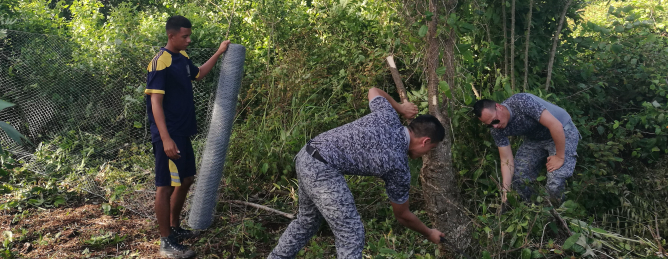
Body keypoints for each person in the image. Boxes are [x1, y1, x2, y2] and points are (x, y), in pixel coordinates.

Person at [268, 87, 446, 259]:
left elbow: (373, 91)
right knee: (351, 233)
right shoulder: (399, 166)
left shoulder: (388, 115)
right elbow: (403, 215)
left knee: (307, 221)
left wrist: (400, 108)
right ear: (425, 141)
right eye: (431, 148)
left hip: (306, 154)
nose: (427, 153)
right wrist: (429, 233)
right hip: (322, 169)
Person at [145, 16, 230, 258]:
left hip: (182, 133)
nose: (189, 40)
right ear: (171, 36)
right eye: (185, 36)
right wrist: (166, 138)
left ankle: (174, 228)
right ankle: (165, 242)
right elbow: (155, 103)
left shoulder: (182, 59)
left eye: (189, 35)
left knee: (186, 180)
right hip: (168, 135)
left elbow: (199, 74)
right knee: (165, 186)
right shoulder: (159, 63)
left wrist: (219, 52)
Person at [472, 93, 580, 206]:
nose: (494, 126)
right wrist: (505, 191)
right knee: (519, 177)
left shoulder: (521, 102)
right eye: (489, 125)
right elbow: (506, 159)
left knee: (555, 180)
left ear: (499, 107)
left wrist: (559, 157)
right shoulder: (496, 129)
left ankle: (556, 213)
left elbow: (555, 125)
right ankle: (534, 209)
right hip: (535, 139)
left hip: (562, 130)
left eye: (495, 121)